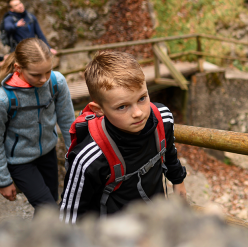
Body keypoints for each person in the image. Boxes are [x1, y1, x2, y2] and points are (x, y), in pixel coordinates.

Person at [59, 50, 187, 223]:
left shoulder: (163, 118)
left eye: (142, 98)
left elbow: (169, 152)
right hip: (114, 236)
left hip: (155, 222)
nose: (138, 113)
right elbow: (70, 215)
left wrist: (179, 182)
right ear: (99, 109)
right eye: (122, 107)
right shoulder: (90, 158)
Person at [0, 38, 75, 211]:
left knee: (50, 204)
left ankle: (37, 238)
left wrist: (73, 157)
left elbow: (68, 122)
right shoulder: (1, 99)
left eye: (48, 71)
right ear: (18, 68)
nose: (43, 79)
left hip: (48, 153)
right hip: (19, 161)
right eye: (36, 74)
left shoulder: (57, 83)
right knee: (48, 209)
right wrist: (3, 180)